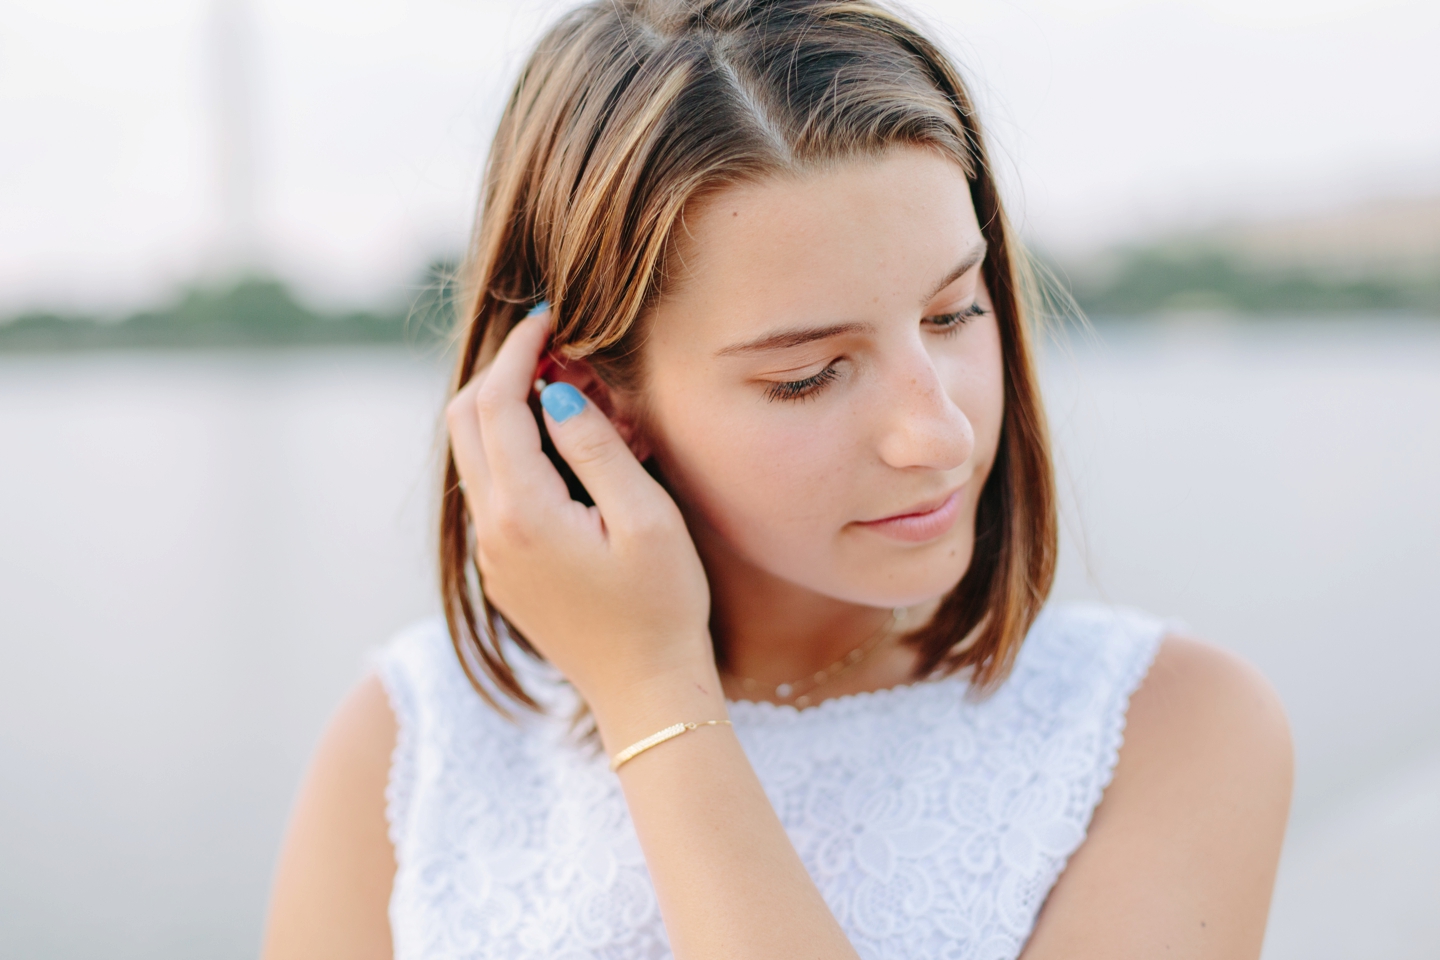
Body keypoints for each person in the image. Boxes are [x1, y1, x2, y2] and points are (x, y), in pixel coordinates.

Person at [262, 1, 1293, 957]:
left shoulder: (1166, 727)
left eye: (953, 314)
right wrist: (643, 680)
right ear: (590, 398)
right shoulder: (417, 735)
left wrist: (655, 696)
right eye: (807, 376)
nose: (935, 434)